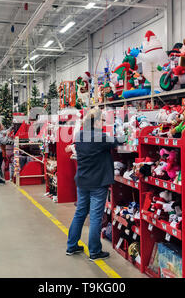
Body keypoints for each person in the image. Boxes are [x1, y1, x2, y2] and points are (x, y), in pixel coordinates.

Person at [65, 108, 125, 261]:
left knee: (80, 213)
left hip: (82, 180)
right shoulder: (101, 137)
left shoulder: (79, 135)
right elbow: (118, 140)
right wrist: (129, 132)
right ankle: (95, 251)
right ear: (96, 121)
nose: (103, 123)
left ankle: (71, 246)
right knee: (96, 217)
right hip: (98, 182)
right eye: (102, 121)